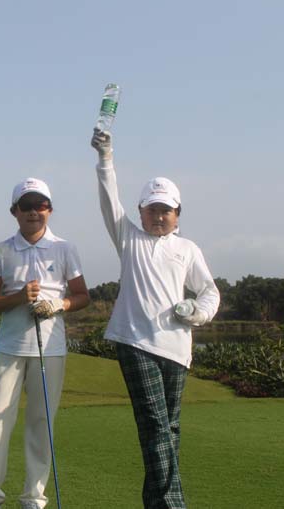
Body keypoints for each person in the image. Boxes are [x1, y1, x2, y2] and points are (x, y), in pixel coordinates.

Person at [91, 129, 220, 509]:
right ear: (141, 212)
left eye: (165, 210)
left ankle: (156, 501)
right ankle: (172, 504)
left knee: (169, 428)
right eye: (152, 209)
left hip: (177, 348)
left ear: (177, 214)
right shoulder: (129, 238)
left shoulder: (187, 249)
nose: (158, 216)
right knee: (155, 422)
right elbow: (108, 199)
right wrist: (105, 156)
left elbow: (209, 291)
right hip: (134, 342)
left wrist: (196, 312)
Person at [0, 178, 90, 509]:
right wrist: (18, 298)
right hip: (10, 347)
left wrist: (58, 304)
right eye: (26, 206)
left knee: (41, 423)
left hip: (49, 349)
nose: (34, 212)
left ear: (49, 210)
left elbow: (82, 295)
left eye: (40, 205)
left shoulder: (65, 248)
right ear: (15, 211)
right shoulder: (2, 250)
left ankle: (34, 497)